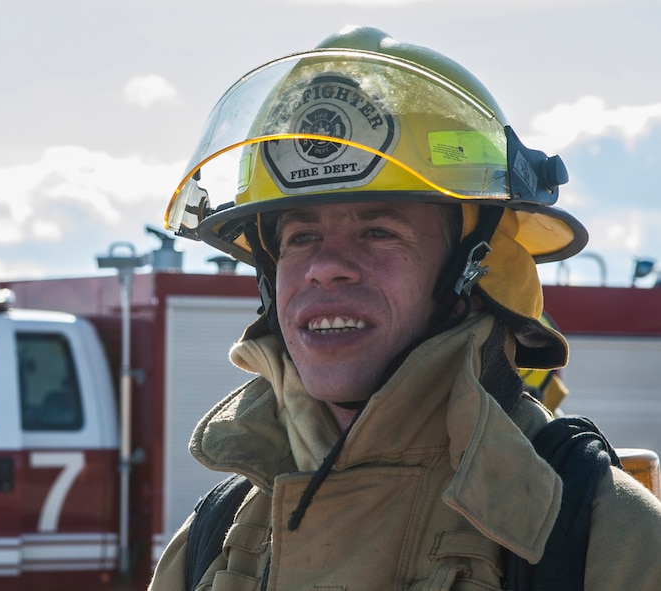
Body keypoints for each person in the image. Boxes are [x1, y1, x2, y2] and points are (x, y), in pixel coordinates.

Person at [150, 26, 661, 590]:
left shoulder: (597, 535)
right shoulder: (217, 536)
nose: (326, 266)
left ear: (475, 264)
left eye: (377, 230)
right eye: (300, 237)